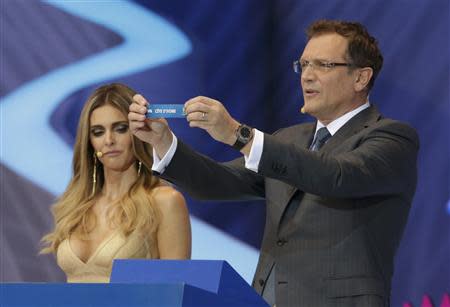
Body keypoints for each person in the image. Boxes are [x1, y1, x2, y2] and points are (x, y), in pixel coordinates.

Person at [128, 20, 419, 307]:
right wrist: (162, 142)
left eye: (323, 65)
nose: (307, 76)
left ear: (361, 78)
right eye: (303, 65)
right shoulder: (288, 140)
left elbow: (335, 176)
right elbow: (219, 182)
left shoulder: (391, 139)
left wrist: (238, 134)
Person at [41, 83, 191, 283]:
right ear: (90, 142)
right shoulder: (75, 205)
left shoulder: (165, 201)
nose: (109, 140)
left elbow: (176, 291)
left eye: (120, 129)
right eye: (98, 132)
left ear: (138, 133)